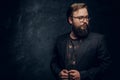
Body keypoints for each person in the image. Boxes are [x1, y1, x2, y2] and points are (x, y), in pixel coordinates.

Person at [50, 3, 111, 80]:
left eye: (86, 17)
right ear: (70, 20)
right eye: (81, 18)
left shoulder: (98, 40)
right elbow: (54, 63)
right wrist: (59, 72)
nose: (85, 21)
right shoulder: (60, 40)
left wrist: (83, 75)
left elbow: (106, 66)